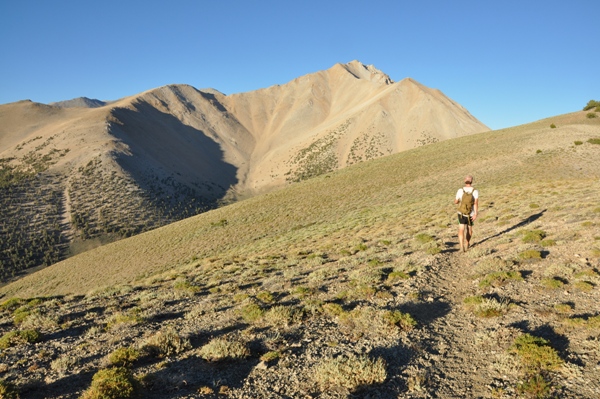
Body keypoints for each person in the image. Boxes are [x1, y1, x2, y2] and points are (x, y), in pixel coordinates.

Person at [454, 175, 479, 252]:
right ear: (471, 181)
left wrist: (458, 201)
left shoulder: (460, 190)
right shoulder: (475, 191)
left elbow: (456, 201)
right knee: (469, 229)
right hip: (470, 213)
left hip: (461, 213)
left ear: (465, 181)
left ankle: (461, 247)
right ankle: (467, 243)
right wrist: (475, 214)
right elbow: (475, 203)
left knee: (461, 229)